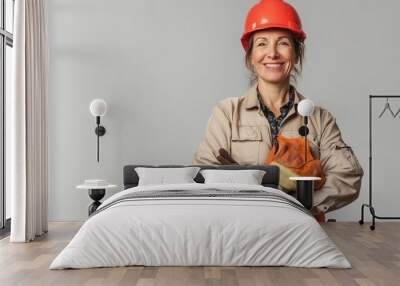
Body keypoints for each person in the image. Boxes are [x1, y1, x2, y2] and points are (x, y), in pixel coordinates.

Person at [192, 0, 363, 217]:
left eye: (283, 43)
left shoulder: (320, 119)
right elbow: (203, 174)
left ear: (297, 54)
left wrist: (303, 206)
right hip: (239, 227)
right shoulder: (226, 113)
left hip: (299, 233)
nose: (272, 53)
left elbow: (347, 175)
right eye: (262, 43)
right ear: (250, 58)